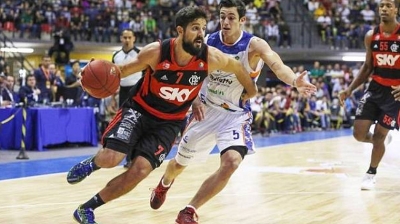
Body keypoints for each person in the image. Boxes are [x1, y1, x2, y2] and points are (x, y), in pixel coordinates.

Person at [66, 6, 258, 224]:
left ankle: (86, 209)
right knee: (112, 158)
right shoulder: (156, 52)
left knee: (140, 170)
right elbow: (120, 72)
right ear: (180, 30)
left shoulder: (211, 56)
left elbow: (237, 68)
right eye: (195, 28)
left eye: (203, 28)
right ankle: (93, 164)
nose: (201, 34)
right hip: (140, 110)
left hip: (169, 123)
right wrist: (92, 73)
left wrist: (251, 92)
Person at [149, 1, 317, 223]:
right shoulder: (208, 42)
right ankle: (164, 184)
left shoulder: (254, 45)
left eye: (231, 17)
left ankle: (189, 210)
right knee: (179, 164)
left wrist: (295, 80)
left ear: (242, 20)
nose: (225, 22)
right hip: (206, 110)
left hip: (235, 115)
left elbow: (277, 66)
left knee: (231, 163)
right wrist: (194, 100)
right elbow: (191, 71)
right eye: (222, 16)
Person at [339, 0, 400, 191]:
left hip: (395, 94)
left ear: (396, 9)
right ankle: (380, 140)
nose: (384, 9)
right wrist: (349, 89)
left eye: (388, 5)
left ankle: (371, 173)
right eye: (381, 5)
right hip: (375, 89)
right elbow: (367, 67)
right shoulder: (371, 35)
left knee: (379, 137)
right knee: (358, 134)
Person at [111, 28, 143, 168]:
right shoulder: (116, 55)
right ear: (121, 38)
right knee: (125, 125)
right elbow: (113, 78)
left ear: (134, 38)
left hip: (138, 91)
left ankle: (137, 156)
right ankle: (128, 158)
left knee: (138, 125)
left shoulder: (140, 54)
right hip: (123, 92)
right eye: (124, 37)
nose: (127, 40)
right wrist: (113, 96)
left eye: (129, 37)